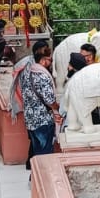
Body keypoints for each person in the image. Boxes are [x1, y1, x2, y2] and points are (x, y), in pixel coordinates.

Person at [21, 41, 63, 172]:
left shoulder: (28, 71)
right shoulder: (42, 75)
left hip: (30, 118)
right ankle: (40, 180)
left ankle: (34, 178)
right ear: (44, 60)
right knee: (44, 154)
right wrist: (57, 107)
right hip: (43, 120)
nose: (50, 64)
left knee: (37, 151)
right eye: (50, 60)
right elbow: (49, 99)